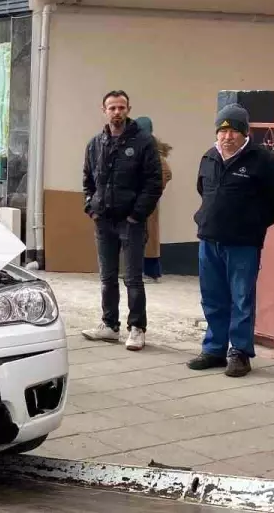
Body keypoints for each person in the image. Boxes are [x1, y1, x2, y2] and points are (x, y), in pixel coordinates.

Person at [186, 105, 274, 377]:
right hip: (210, 239)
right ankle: (214, 349)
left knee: (241, 298)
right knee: (212, 297)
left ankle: (240, 352)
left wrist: (253, 224)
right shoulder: (208, 158)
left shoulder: (264, 161)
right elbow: (203, 190)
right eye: (223, 130)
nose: (228, 136)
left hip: (244, 242)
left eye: (234, 130)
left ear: (245, 133)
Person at [80, 91, 164, 352]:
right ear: (103, 110)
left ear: (129, 109)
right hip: (103, 221)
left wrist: (137, 214)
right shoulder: (96, 143)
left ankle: (137, 328)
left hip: (131, 222)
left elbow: (153, 183)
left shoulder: (143, 142)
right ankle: (109, 326)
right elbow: (87, 179)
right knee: (107, 277)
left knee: (133, 278)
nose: (117, 112)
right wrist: (91, 207)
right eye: (112, 108)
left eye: (121, 107)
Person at [134, 117, 173, 283]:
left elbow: (166, 173)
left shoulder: (153, 152)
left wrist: (154, 190)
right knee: (139, 236)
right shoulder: (141, 148)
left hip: (147, 201)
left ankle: (150, 271)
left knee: (148, 237)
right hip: (137, 200)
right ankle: (141, 270)